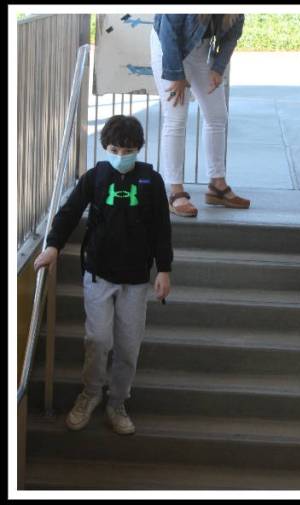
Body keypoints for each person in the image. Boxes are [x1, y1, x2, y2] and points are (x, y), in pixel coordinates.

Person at [33, 115, 173, 435]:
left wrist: (163, 269)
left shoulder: (151, 181)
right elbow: (68, 213)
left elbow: (161, 231)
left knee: (127, 346)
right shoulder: (95, 177)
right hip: (99, 275)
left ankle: (117, 402)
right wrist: (53, 246)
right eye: (114, 148)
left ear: (138, 149)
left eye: (127, 149)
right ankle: (91, 393)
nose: (121, 154)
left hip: (137, 280)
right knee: (98, 339)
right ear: (105, 148)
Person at [151, 14, 249, 217]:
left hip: (200, 50)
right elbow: (168, 32)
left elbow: (232, 36)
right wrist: (176, 74)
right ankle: (176, 192)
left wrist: (217, 68)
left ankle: (217, 186)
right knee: (176, 118)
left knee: (217, 115)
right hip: (167, 48)